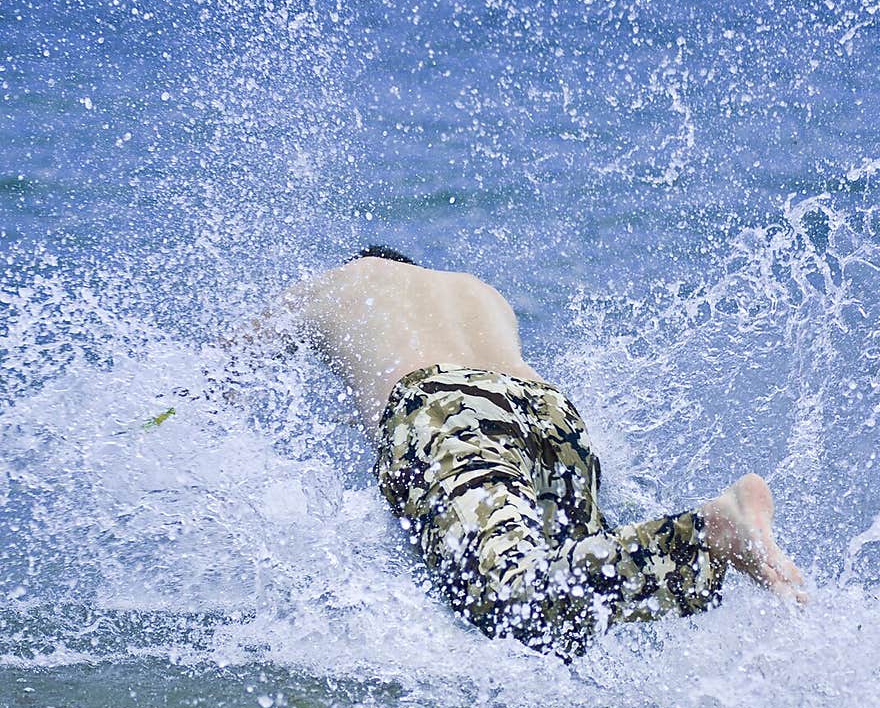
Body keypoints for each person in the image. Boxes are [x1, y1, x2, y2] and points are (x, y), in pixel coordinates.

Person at [216, 246, 806, 659]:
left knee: (509, 601)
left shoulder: (343, 282)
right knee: (562, 622)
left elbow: (224, 367)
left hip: (441, 410)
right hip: (549, 414)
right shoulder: (474, 292)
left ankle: (710, 531)